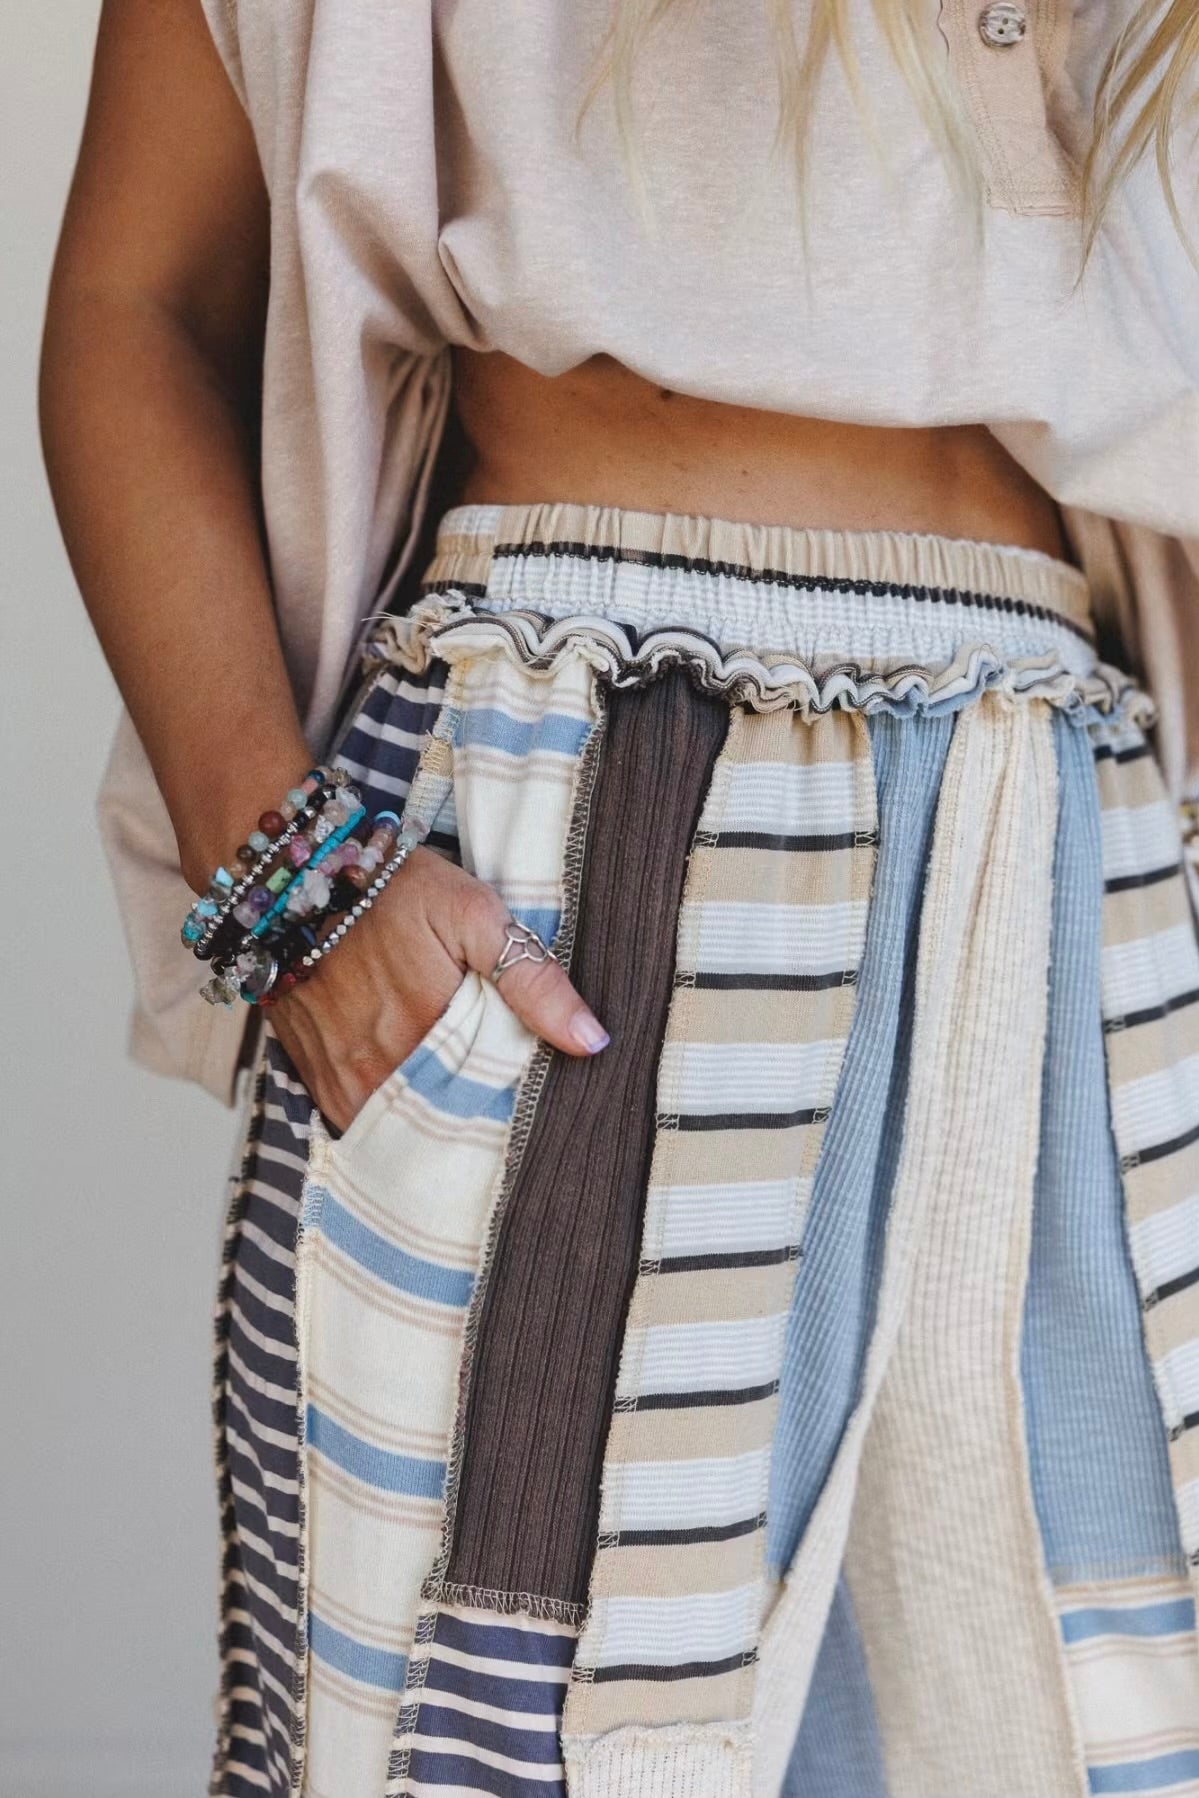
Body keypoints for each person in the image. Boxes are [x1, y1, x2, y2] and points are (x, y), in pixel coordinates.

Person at [39, 2, 1199, 1795]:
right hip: (579, 815)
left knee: (1096, 1722)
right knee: (493, 1739)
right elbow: (141, 304)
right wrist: (293, 889)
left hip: (1070, 865)